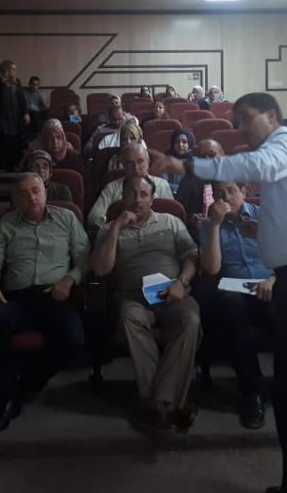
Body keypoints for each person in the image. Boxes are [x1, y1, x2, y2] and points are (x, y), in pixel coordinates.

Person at [152, 92, 287, 493]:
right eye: (236, 119)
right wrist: (264, 231)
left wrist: (183, 164)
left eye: (245, 118)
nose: (239, 128)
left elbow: (254, 165)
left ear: (271, 116)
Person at [0, 173, 90, 435]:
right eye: (24, 194)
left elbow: (85, 258)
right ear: (15, 200)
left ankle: (26, 383)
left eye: (36, 190)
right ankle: (3, 400)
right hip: (16, 297)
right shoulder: (6, 225)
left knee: (73, 338)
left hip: (53, 296)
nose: (32, 197)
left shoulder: (67, 218)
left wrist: (69, 280)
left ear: (45, 192)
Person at [90, 174, 201, 433]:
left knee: (191, 320)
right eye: (131, 194)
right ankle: (173, 402)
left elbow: (192, 257)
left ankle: (157, 404)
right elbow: (100, 269)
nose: (137, 200)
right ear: (122, 197)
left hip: (174, 293)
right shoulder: (109, 229)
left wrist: (181, 282)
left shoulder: (171, 222)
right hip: (134, 297)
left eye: (143, 194)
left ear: (152, 198)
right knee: (129, 318)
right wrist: (116, 227)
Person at [197, 179, 276, 429]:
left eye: (231, 191)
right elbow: (212, 268)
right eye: (219, 193)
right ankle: (253, 390)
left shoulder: (265, 216)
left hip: (269, 285)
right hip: (235, 291)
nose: (226, 198)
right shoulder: (209, 225)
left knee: (285, 311)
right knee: (231, 307)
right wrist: (215, 225)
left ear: (244, 191)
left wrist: (274, 279)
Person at [88, 144, 173, 230]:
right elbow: (93, 218)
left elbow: (172, 215)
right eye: (130, 163)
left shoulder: (162, 185)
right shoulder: (111, 187)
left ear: (148, 162)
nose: (136, 167)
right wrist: (115, 225)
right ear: (123, 165)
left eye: (140, 161)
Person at [0, 60, 28, 172]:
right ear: (6, 70)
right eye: (13, 69)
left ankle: (12, 164)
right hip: (1, 117)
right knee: (2, 139)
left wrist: (25, 112)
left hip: (15, 116)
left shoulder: (17, 81)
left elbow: (22, 99)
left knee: (15, 140)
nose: (15, 71)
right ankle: (0, 163)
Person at [175, 139, 224, 231]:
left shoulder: (233, 179)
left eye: (212, 155)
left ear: (222, 154)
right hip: (195, 231)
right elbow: (179, 211)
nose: (207, 160)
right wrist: (191, 218)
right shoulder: (188, 181)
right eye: (202, 156)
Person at [162, 128, 194, 195]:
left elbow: (190, 188)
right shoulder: (166, 160)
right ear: (173, 144)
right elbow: (163, 184)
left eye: (184, 142)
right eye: (177, 142)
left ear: (189, 144)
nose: (180, 145)